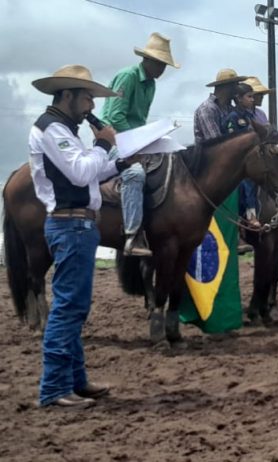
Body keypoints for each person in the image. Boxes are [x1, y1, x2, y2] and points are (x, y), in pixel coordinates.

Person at [29, 65, 136, 407]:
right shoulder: (52, 129)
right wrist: (103, 143)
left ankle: (75, 380)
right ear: (67, 95)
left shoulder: (63, 129)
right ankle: (54, 389)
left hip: (78, 225)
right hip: (71, 225)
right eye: (88, 97)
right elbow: (79, 172)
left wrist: (120, 163)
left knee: (74, 308)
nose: (92, 105)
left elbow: (92, 173)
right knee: (68, 308)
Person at [101, 32, 180, 257]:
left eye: (165, 65)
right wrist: (138, 141)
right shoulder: (128, 77)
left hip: (135, 140)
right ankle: (132, 235)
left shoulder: (151, 85)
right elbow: (115, 117)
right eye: (160, 63)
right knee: (134, 173)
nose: (162, 69)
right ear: (147, 59)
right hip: (111, 139)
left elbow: (139, 120)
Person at [222, 83, 261, 228]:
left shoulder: (249, 116)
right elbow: (232, 143)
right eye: (249, 97)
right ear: (238, 98)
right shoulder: (232, 117)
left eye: (253, 97)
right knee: (248, 180)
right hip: (236, 161)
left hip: (251, 158)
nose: (252, 100)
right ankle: (251, 215)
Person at [194, 68, 247, 144]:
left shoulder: (230, 108)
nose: (237, 89)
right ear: (226, 87)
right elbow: (216, 141)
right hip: (211, 151)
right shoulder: (207, 109)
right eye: (236, 85)